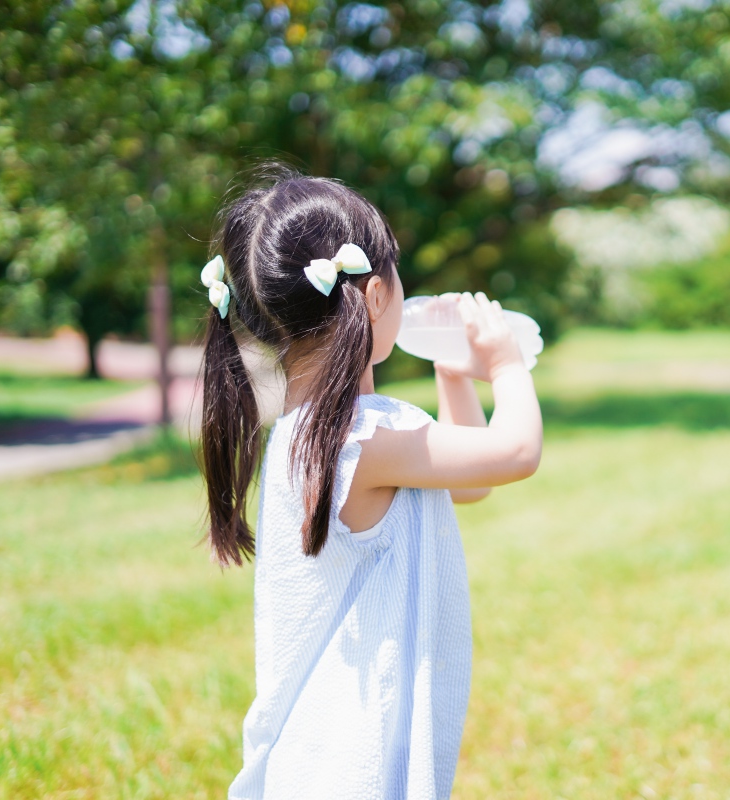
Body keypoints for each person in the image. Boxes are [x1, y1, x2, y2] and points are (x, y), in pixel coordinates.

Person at [198, 165, 542, 800]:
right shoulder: (366, 437)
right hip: (356, 765)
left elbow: (469, 485)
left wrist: (454, 376)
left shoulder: (311, 437)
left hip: (318, 756)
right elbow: (516, 451)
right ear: (377, 297)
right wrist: (506, 365)